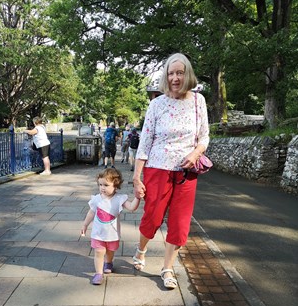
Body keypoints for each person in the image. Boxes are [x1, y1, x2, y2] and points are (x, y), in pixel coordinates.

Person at [132, 53, 209, 289]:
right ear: (166, 76)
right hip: (157, 169)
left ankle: (167, 268)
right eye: (171, 73)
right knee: (152, 216)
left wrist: (195, 154)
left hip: (186, 173)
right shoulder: (156, 104)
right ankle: (141, 250)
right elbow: (144, 143)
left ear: (188, 74)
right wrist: (136, 176)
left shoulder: (199, 102)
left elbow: (204, 137)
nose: (175, 78)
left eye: (180, 72)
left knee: (180, 222)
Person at [81, 168, 140, 285]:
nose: (102, 188)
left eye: (106, 185)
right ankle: (98, 273)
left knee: (110, 251)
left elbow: (132, 207)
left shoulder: (119, 199)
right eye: (100, 184)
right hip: (98, 233)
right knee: (99, 251)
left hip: (112, 234)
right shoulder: (97, 199)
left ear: (116, 185)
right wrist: (85, 224)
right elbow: (91, 212)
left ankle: (108, 262)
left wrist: (138, 197)